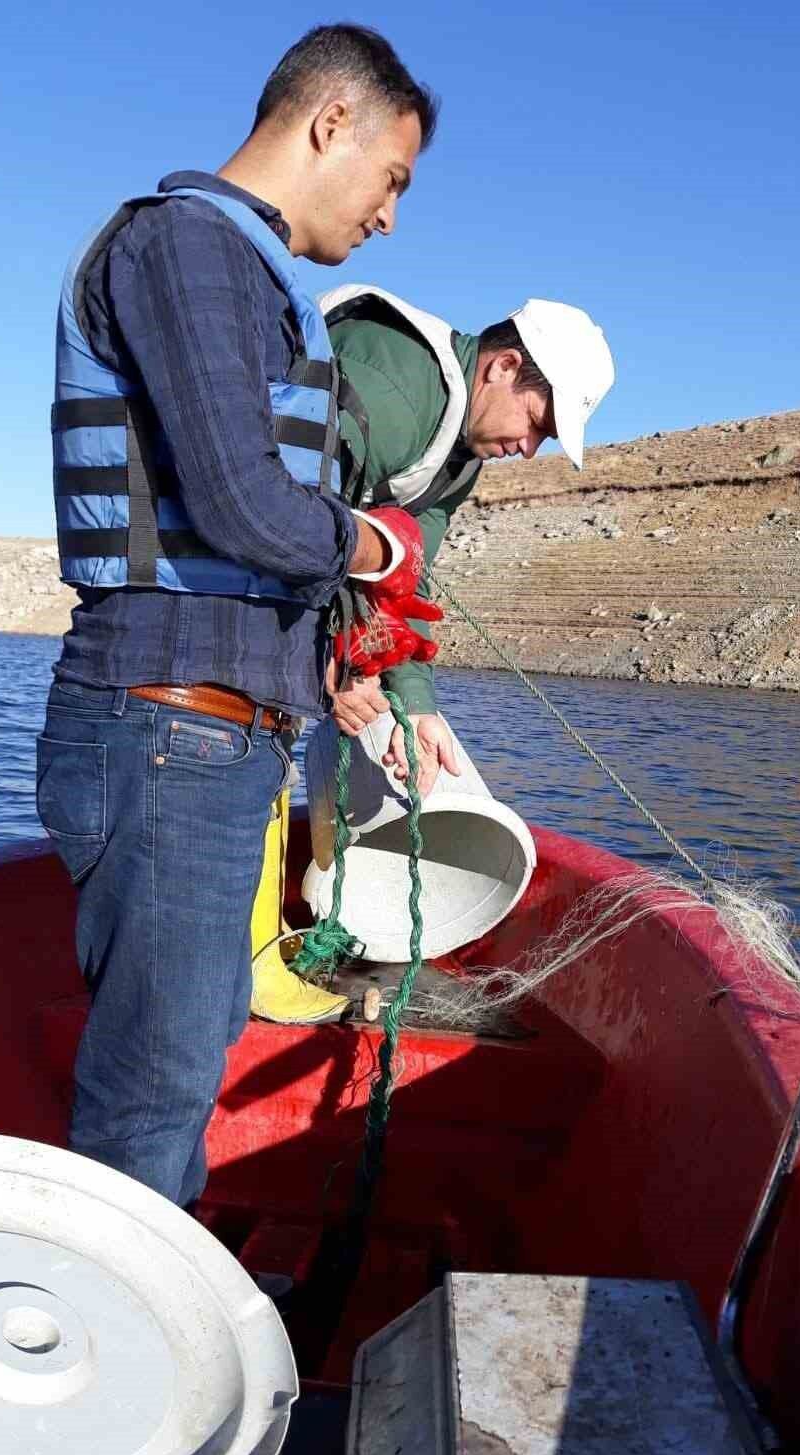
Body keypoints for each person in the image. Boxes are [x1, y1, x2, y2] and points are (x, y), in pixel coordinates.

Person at [36, 24, 440, 1207]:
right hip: (167, 729)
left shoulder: (244, 273)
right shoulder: (182, 249)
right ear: (329, 127)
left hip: (209, 740)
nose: (387, 216)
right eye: (391, 179)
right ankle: (116, 1374)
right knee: (152, 1097)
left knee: (182, 1059)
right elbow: (243, 504)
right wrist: (377, 543)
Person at [250, 288, 615, 1023]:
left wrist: (416, 707)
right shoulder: (394, 387)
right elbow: (286, 518)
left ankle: (256, 949)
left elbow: (398, 587)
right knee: (251, 745)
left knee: (269, 745)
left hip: (279, 619)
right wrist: (327, 665)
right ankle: (249, 962)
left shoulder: (455, 460)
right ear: (504, 367)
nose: (530, 446)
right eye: (537, 422)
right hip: (231, 607)